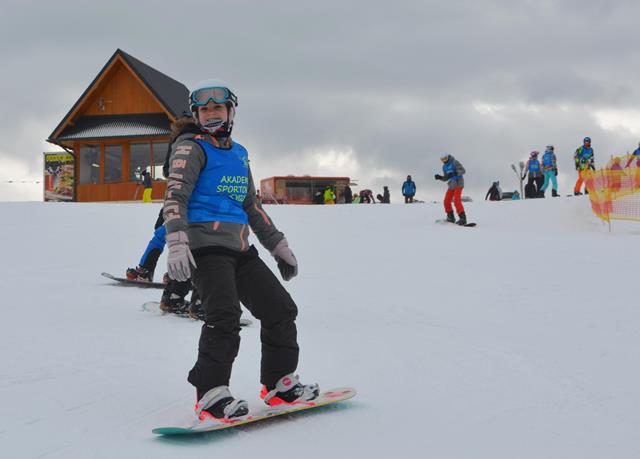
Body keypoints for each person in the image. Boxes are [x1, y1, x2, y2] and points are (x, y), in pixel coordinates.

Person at [162, 80, 319, 422]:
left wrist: (277, 244)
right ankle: (211, 393)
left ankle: (279, 384)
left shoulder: (239, 153)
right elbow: (175, 195)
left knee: (280, 309)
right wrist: (177, 242)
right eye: (204, 110)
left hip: (241, 248)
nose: (211, 114)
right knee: (224, 316)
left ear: (231, 111)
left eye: (218, 107)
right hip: (205, 248)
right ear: (196, 116)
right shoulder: (191, 148)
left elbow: (250, 204)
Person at [434, 154, 468, 225]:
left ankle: (463, 218)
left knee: (456, 200)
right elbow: (446, 178)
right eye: (442, 159)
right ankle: (450, 217)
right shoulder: (444, 167)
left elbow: (463, 170)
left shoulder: (454, 162)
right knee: (446, 201)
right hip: (452, 184)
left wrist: (455, 173)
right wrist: (440, 177)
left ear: (448, 157)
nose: (444, 161)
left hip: (459, 183)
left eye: (445, 159)